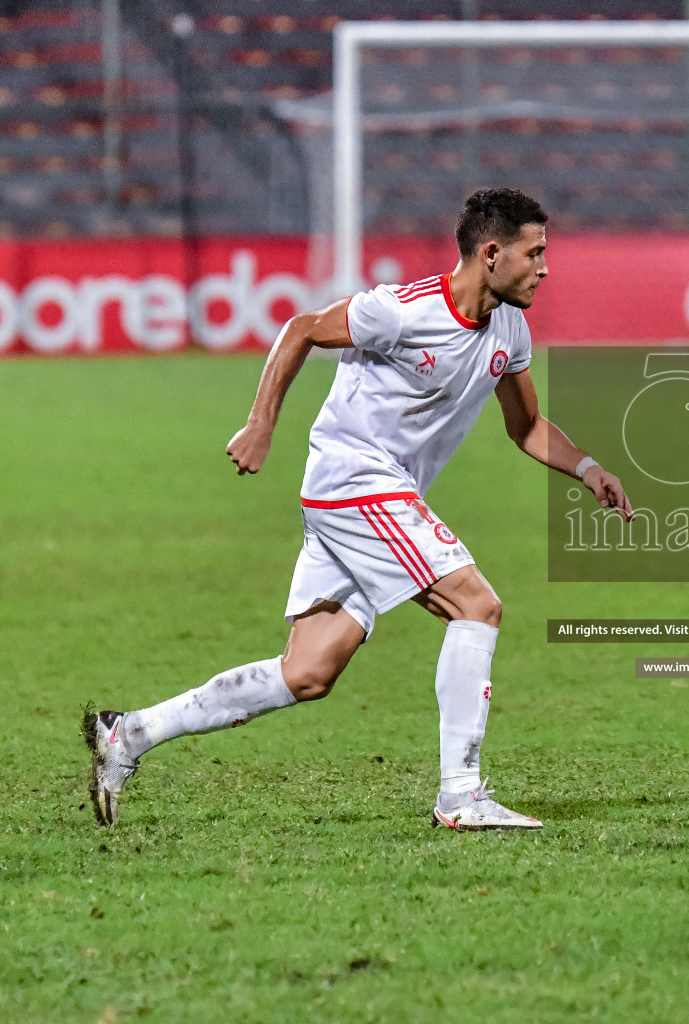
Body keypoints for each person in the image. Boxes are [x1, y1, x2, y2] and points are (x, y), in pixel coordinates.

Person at [85, 188, 633, 830]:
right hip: (354, 480)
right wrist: (261, 423)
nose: (544, 267)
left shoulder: (508, 327)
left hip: (368, 495)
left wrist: (590, 469)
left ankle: (128, 734)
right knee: (476, 604)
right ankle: (461, 796)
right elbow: (302, 329)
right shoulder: (402, 312)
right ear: (491, 253)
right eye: (534, 253)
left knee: (308, 671)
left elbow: (527, 424)